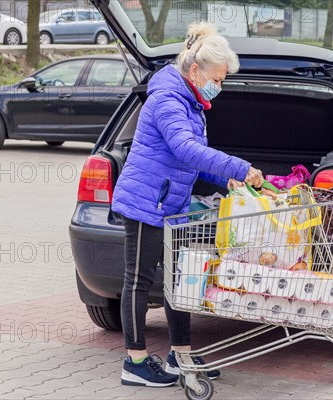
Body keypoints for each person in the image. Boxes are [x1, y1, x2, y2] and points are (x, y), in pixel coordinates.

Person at [111, 21, 263, 387]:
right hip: (147, 201)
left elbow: (190, 161)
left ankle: (180, 353)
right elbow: (185, 149)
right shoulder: (167, 99)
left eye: (223, 79)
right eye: (218, 78)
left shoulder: (192, 102)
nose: (220, 86)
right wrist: (240, 168)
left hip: (171, 204)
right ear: (195, 70)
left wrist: (222, 180)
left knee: (181, 280)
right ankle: (135, 363)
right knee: (139, 280)